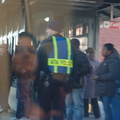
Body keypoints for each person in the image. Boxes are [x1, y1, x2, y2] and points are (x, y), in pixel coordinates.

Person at [33, 19, 75, 120]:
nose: (46, 31)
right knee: (59, 109)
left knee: (45, 109)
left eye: (47, 28)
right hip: (63, 82)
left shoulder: (45, 43)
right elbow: (75, 65)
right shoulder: (69, 44)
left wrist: (33, 84)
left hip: (46, 81)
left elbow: (36, 65)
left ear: (52, 29)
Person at [11, 32, 36, 120]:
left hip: (25, 76)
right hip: (21, 76)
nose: (19, 40)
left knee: (24, 97)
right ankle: (21, 115)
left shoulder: (26, 49)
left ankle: (25, 116)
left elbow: (27, 63)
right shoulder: (25, 48)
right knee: (22, 96)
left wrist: (22, 70)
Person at [92, 43, 120, 120]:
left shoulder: (113, 61)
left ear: (109, 51)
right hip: (105, 90)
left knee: (112, 111)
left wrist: (99, 77)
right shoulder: (107, 60)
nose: (102, 51)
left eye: (104, 50)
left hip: (110, 90)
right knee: (107, 110)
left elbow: (112, 75)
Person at [65, 39, 91, 120]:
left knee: (69, 107)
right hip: (77, 84)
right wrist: (77, 73)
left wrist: (75, 72)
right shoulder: (83, 55)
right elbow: (88, 69)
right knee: (78, 107)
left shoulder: (66, 55)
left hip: (69, 83)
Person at [84, 47, 100, 118]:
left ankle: (87, 113)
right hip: (90, 82)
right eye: (91, 52)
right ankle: (96, 114)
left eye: (93, 52)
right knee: (92, 99)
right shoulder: (96, 61)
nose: (93, 54)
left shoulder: (94, 61)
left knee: (88, 99)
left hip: (90, 82)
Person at [0, 44, 11, 113]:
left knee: (2, 93)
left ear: (2, 48)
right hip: (8, 77)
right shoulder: (10, 55)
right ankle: (6, 106)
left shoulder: (2, 57)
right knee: (5, 92)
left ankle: (4, 107)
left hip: (2, 78)